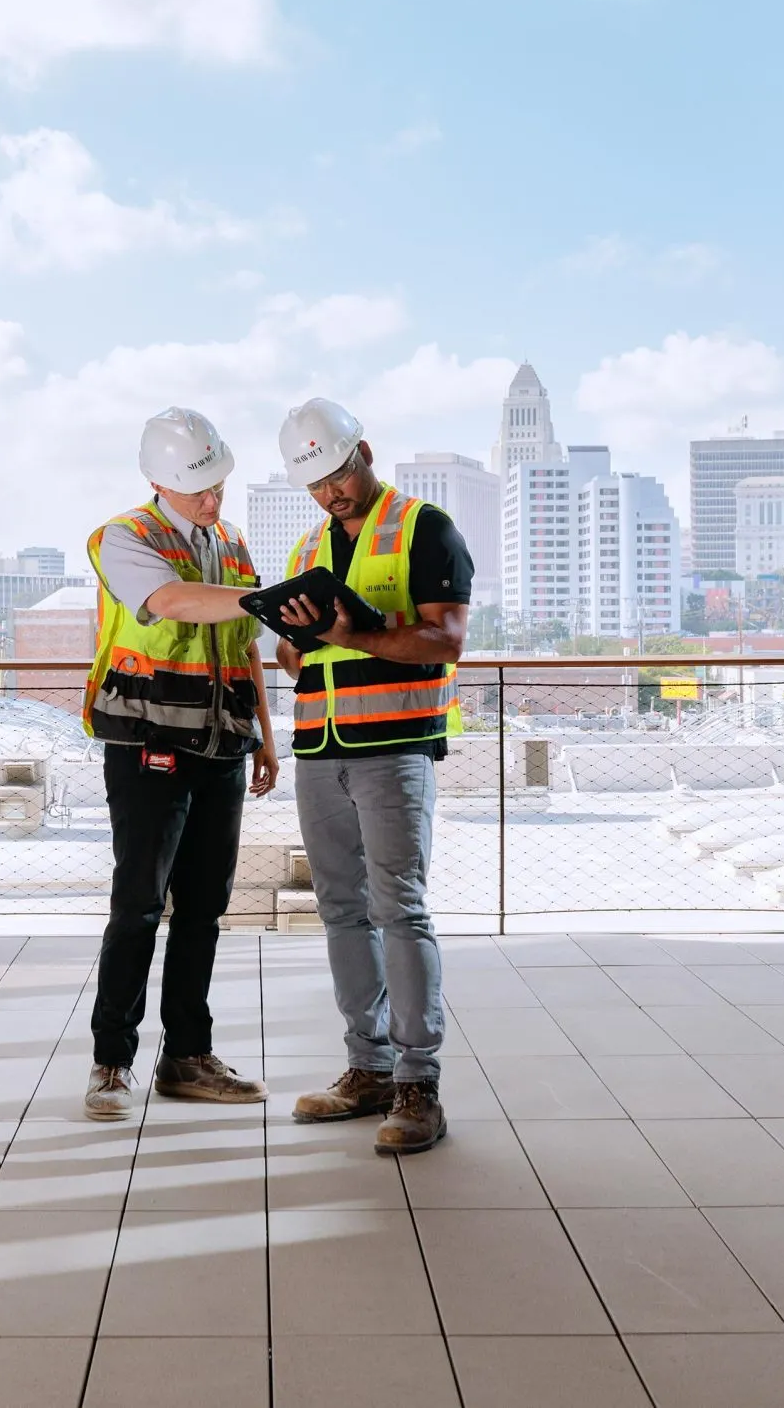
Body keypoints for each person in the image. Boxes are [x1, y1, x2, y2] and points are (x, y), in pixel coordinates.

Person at [272, 397, 470, 1154]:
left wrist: (356, 631)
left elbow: (446, 640)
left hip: (394, 745)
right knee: (341, 910)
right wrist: (296, 635)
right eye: (315, 483)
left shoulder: (425, 527)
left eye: (338, 474)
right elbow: (299, 659)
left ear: (365, 451)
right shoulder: (305, 549)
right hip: (319, 748)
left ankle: (420, 1083)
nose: (331, 493)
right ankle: (369, 1067)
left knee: (400, 909)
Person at [79, 407, 281, 1122]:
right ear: (158, 479)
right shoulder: (125, 538)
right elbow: (171, 600)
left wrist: (264, 731)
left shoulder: (229, 542)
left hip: (221, 747)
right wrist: (267, 598)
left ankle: (187, 1057)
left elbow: (247, 640)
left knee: (203, 911)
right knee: (137, 907)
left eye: (218, 483)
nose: (212, 499)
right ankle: (111, 1063)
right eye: (199, 488)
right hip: (147, 747)